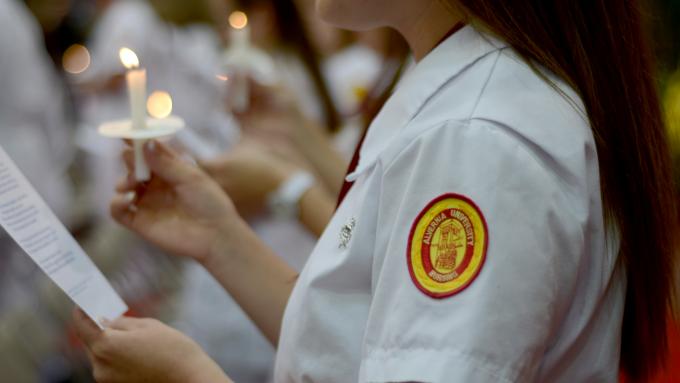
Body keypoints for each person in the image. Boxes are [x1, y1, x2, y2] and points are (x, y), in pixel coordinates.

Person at [73, 1, 678, 382]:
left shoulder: (474, 139)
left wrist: (186, 375)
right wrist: (219, 237)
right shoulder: (458, 94)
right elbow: (355, 349)